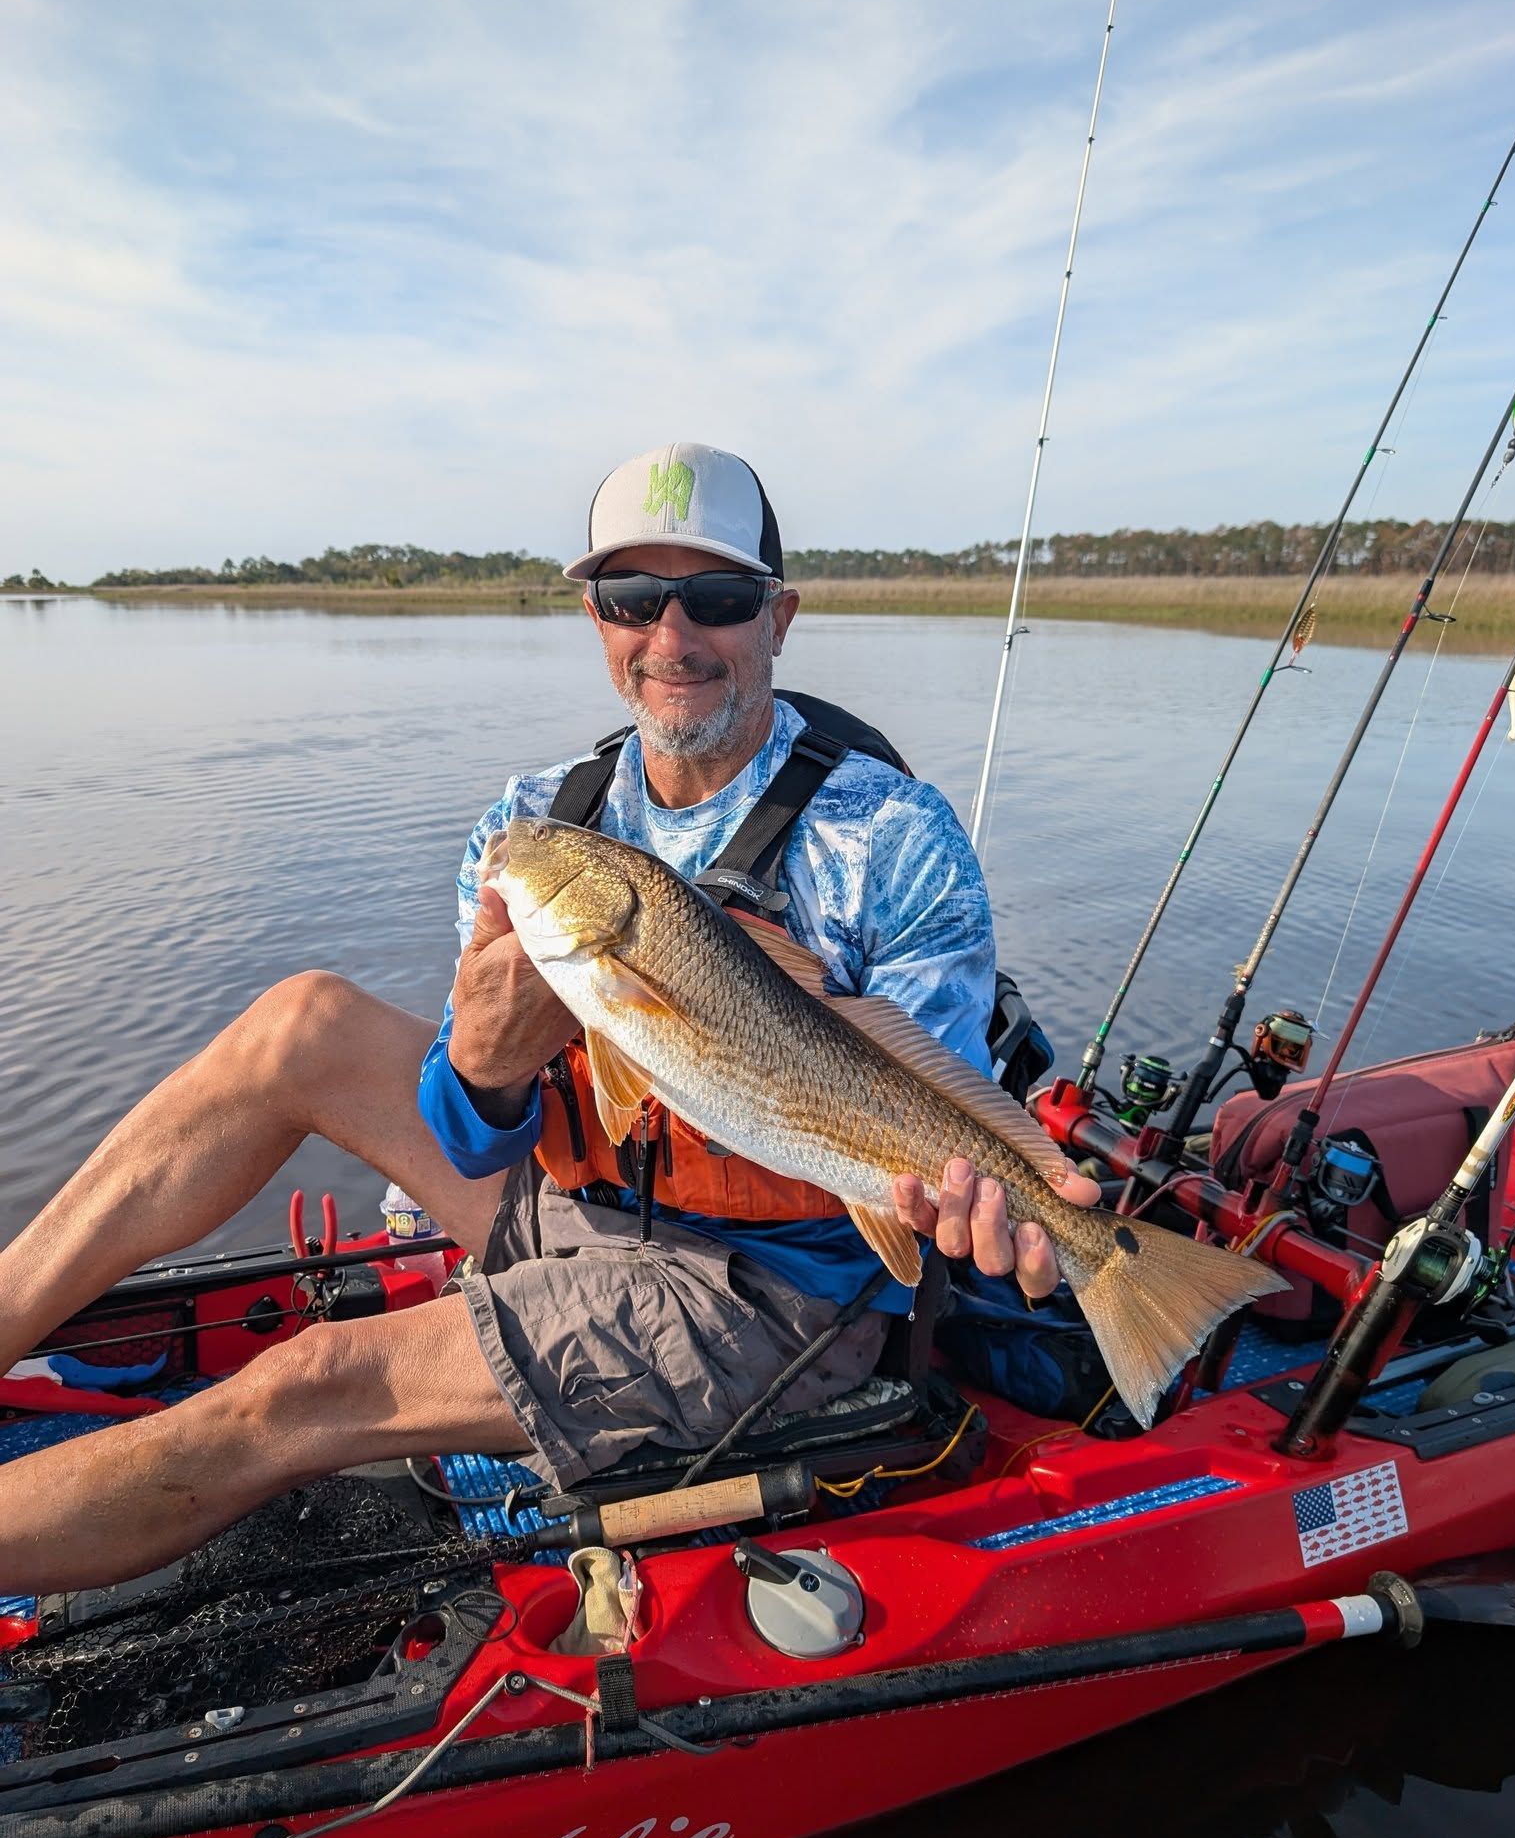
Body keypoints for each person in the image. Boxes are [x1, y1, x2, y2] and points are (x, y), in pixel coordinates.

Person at [0, 441, 1098, 1596]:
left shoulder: (894, 836)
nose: (672, 634)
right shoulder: (533, 824)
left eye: (717, 597)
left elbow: (925, 1112)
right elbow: (471, 1138)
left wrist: (981, 1198)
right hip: (569, 1203)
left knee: (305, 1383)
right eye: (633, 595)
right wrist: (482, 1067)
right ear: (595, 617)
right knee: (299, 1021)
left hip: (761, 1291)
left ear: (778, 616)